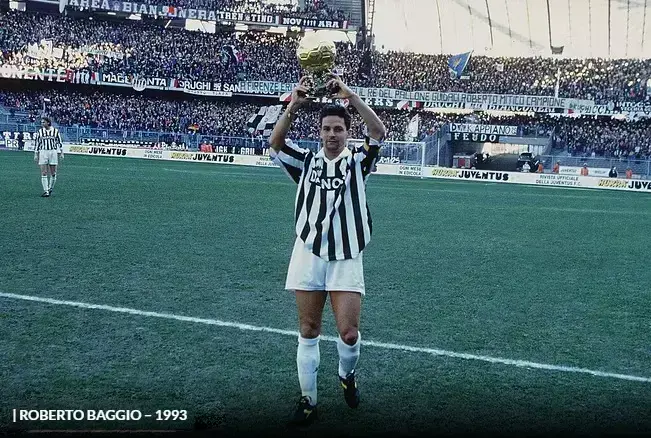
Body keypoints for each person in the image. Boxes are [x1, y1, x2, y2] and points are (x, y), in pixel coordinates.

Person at [268, 75, 386, 427]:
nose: (332, 134)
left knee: (349, 333)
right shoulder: (305, 162)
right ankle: (309, 401)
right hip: (309, 253)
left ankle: (347, 375)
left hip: (346, 255)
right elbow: (276, 143)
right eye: (326, 129)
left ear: (347, 133)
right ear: (319, 133)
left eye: (338, 129)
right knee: (308, 329)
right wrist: (293, 106)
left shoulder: (358, 162)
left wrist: (352, 96)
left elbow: (378, 132)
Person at [33, 117, 64, 197]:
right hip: (43, 152)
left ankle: (50, 188)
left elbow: (59, 142)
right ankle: (46, 191)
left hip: (53, 152)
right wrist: (36, 154)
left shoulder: (55, 131)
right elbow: (37, 143)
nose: (42, 124)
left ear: (48, 123)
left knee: (53, 173)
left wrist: (61, 153)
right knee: (44, 172)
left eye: (44, 122)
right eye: (42, 122)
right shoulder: (40, 132)